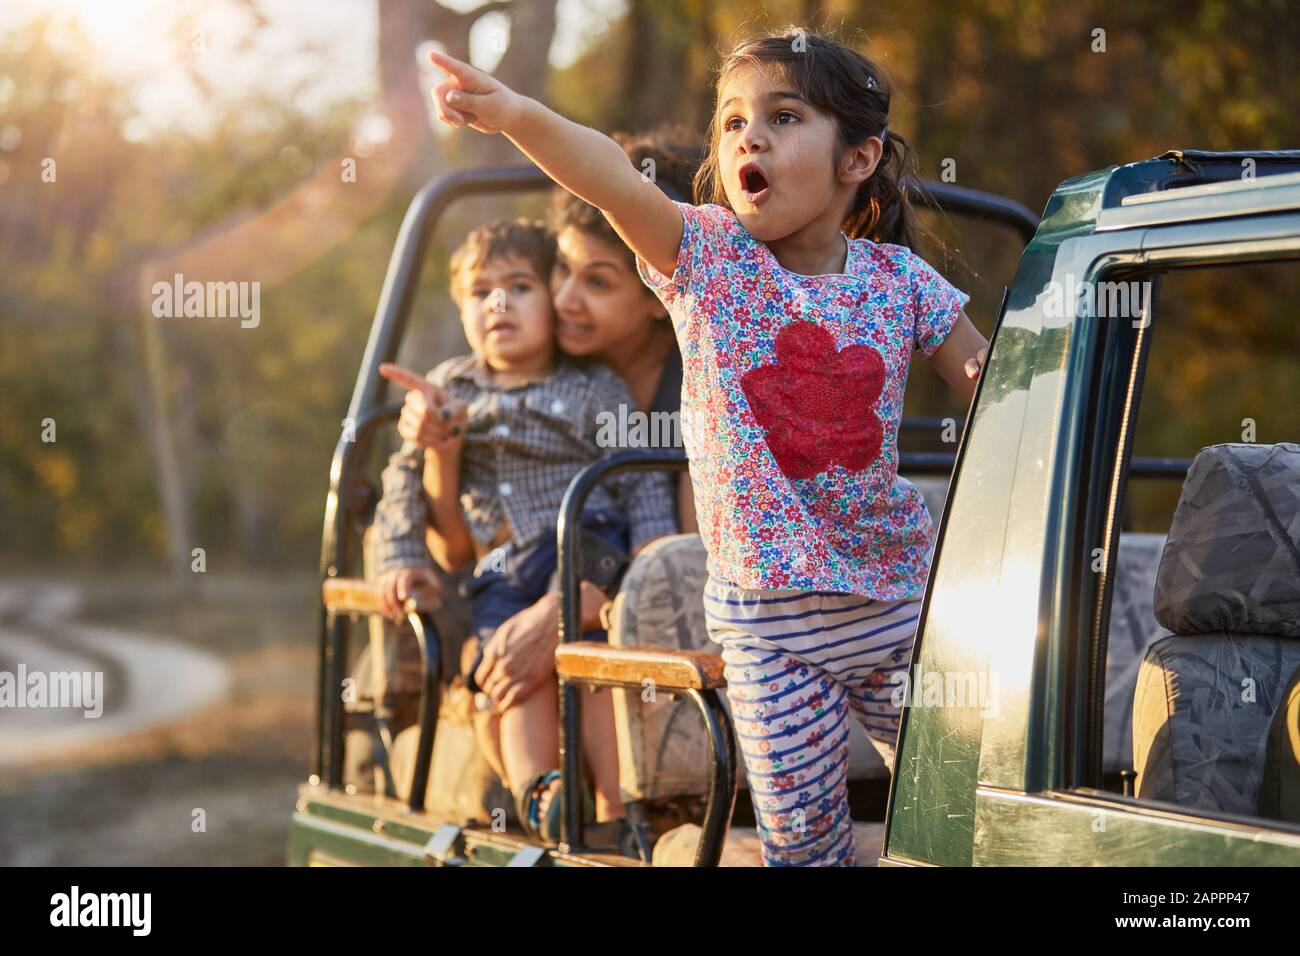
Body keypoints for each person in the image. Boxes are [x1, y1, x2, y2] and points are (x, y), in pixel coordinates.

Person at [423, 27, 989, 866]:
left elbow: (995, 384)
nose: (747, 137)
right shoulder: (708, 259)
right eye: (731, 123)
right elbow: (607, 176)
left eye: (783, 116)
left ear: (858, 159)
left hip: (896, 602)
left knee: (958, 827)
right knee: (806, 849)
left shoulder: (901, 282)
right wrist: (515, 115)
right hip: (769, 624)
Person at [371, 218, 677, 848]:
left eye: (519, 287)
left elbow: (638, 476)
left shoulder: (593, 386)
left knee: (594, 670)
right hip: (502, 569)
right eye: (480, 293)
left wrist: (650, 553)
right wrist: (400, 557)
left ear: (551, 303)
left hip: (585, 546)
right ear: (460, 311)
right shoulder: (450, 389)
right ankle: (544, 792)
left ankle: (624, 815)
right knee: (512, 672)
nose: (499, 304)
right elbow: (401, 482)